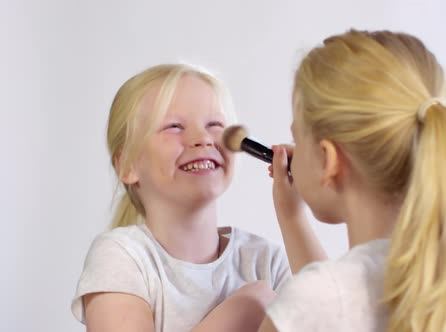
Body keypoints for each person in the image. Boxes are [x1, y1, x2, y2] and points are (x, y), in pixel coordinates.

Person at [259, 30, 446, 332]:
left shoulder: (315, 301)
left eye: (296, 136)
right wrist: (291, 215)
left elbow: (325, 305)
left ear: (328, 160)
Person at [71, 63, 290, 332]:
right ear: (127, 164)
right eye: (174, 126)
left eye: (215, 125)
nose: (203, 139)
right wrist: (246, 309)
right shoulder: (122, 257)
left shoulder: (267, 261)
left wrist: (294, 215)